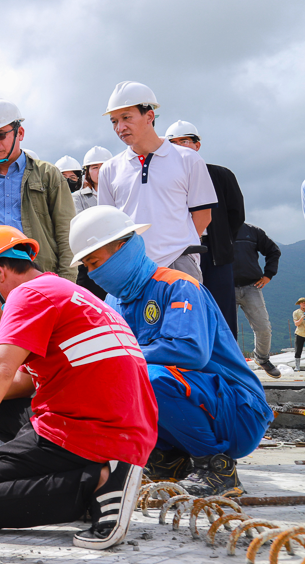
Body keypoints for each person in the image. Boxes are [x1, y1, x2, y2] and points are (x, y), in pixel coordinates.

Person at [0, 226, 157, 550]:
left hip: (89, 430)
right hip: (124, 430)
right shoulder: (63, 291)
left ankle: (99, 484)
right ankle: (96, 475)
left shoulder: (28, 294)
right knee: (4, 415)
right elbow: (21, 380)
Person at [73, 206, 272, 495]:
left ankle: (216, 468)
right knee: (107, 379)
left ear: (124, 248)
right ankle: (167, 459)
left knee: (148, 378)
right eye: (88, 267)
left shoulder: (178, 286)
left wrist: (118, 354)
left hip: (238, 413)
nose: (93, 273)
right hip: (190, 409)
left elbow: (190, 352)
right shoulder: (115, 301)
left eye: (95, 262)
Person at [0, 98, 76, 443]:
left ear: (18, 132)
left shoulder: (49, 175)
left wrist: (66, 285)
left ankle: (49, 427)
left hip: (40, 282)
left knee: (46, 358)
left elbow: (64, 232)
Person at [97, 82, 216, 281]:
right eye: (114, 121)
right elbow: (109, 225)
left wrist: (178, 249)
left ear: (149, 116)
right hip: (131, 267)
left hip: (179, 263)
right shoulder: (109, 169)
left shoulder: (188, 159)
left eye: (126, 117)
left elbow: (203, 215)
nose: (120, 127)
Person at [165, 120, 244, 336]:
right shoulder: (162, 178)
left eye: (185, 141)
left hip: (215, 252)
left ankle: (227, 366)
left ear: (197, 145)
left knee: (222, 310)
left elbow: (236, 215)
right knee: (184, 309)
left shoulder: (220, 175)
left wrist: (223, 240)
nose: (180, 146)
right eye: (173, 143)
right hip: (179, 253)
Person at [233, 223, 281, 378]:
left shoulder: (253, 232)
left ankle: (262, 358)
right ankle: (232, 364)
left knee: (263, 327)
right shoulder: (215, 229)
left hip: (252, 286)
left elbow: (274, 251)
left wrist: (268, 275)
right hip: (225, 288)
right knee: (228, 331)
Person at [72, 146, 113, 300]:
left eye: (104, 166)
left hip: (116, 257)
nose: (100, 171)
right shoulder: (77, 198)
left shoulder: (122, 192)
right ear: (87, 172)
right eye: (95, 167)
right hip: (90, 261)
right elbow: (82, 225)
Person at [294, 298, 305, 372]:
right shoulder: (296, 312)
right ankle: (297, 367)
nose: (304, 304)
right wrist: (302, 318)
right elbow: (296, 323)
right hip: (300, 333)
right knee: (298, 350)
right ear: (299, 304)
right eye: (302, 303)